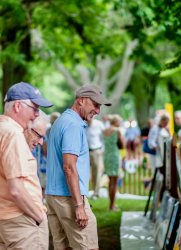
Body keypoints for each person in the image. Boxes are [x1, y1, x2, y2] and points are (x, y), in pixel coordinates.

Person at [0, 82, 53, 249]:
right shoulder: (12, 134)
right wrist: (39, 216)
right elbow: (16, 190)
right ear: (18, 106)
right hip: (20, 222)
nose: (36, 114)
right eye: (34, 108)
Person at [46, 84, 111, 250]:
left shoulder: (61, 121)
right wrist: (79, 206)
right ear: (81, 101)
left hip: (53, 197)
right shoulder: (73, 125)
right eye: (95, 105)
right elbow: (69, 167)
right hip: (69, 198)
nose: (98, 111)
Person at [103, 114, 124, 211]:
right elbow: (122, 145)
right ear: (115, 122)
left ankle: (110, 205)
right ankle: (112, 206)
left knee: (109, 181)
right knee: (114, 182)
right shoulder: (117, 131)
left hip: (106, 156)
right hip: (115, 156)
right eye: (119, 121)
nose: (120, 123)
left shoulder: (104, 131)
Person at [87, 117, 105, 199]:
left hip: (96, 151)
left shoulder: (99, 124)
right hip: (84, 152)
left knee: (97, 173)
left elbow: (104, 138)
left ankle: (96, 193)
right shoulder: (82, 124)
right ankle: (84, 193)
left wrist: (102, 149)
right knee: (85, 173)